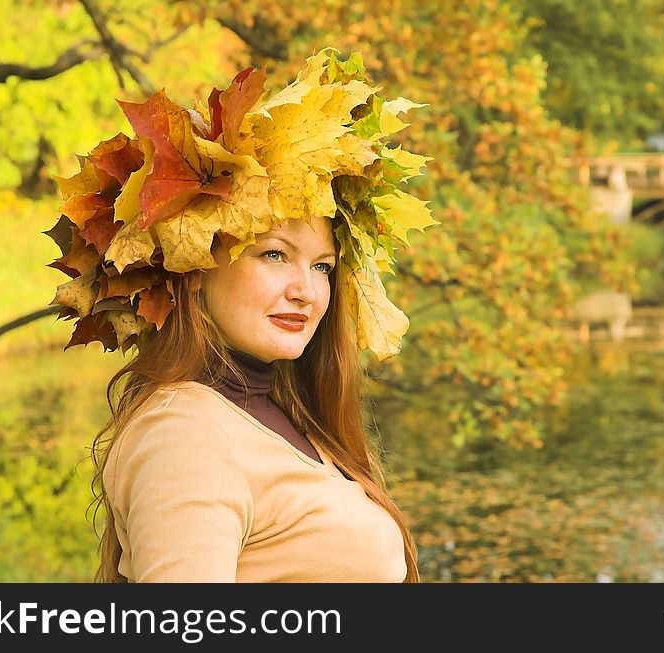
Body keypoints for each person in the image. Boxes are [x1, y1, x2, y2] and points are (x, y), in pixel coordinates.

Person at [45, 49, 436, 582]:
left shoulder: (281, 416)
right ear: (197, 263)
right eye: (273, 254)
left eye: (322, 266)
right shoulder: (183, 433)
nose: (307, 291)